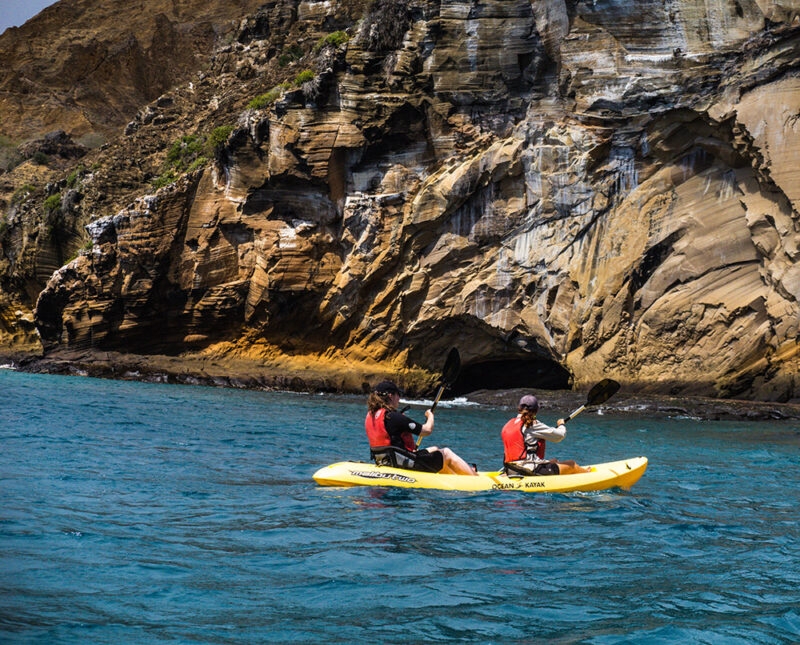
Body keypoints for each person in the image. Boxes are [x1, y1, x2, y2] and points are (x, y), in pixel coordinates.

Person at [365, 380, 477, 475]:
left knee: (434, 449)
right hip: (404, 464)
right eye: (397, 395)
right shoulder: (394, 417)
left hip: (386, 461)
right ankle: (474, 479)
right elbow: (427, 430)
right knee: (446, 452)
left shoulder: (371, 415)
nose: (399, 398)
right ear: (390, 396)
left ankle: (455, 477)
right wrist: (430, 416)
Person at [500, 394, 589, 476]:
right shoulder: (532, 424)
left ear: (519, 408)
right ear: (536, 410)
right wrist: (561, 425)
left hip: (511, 469)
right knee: (572, 464)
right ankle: (587, 474)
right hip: (529, 470)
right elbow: (560, 436)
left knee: (554, 461)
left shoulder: (509, 424)